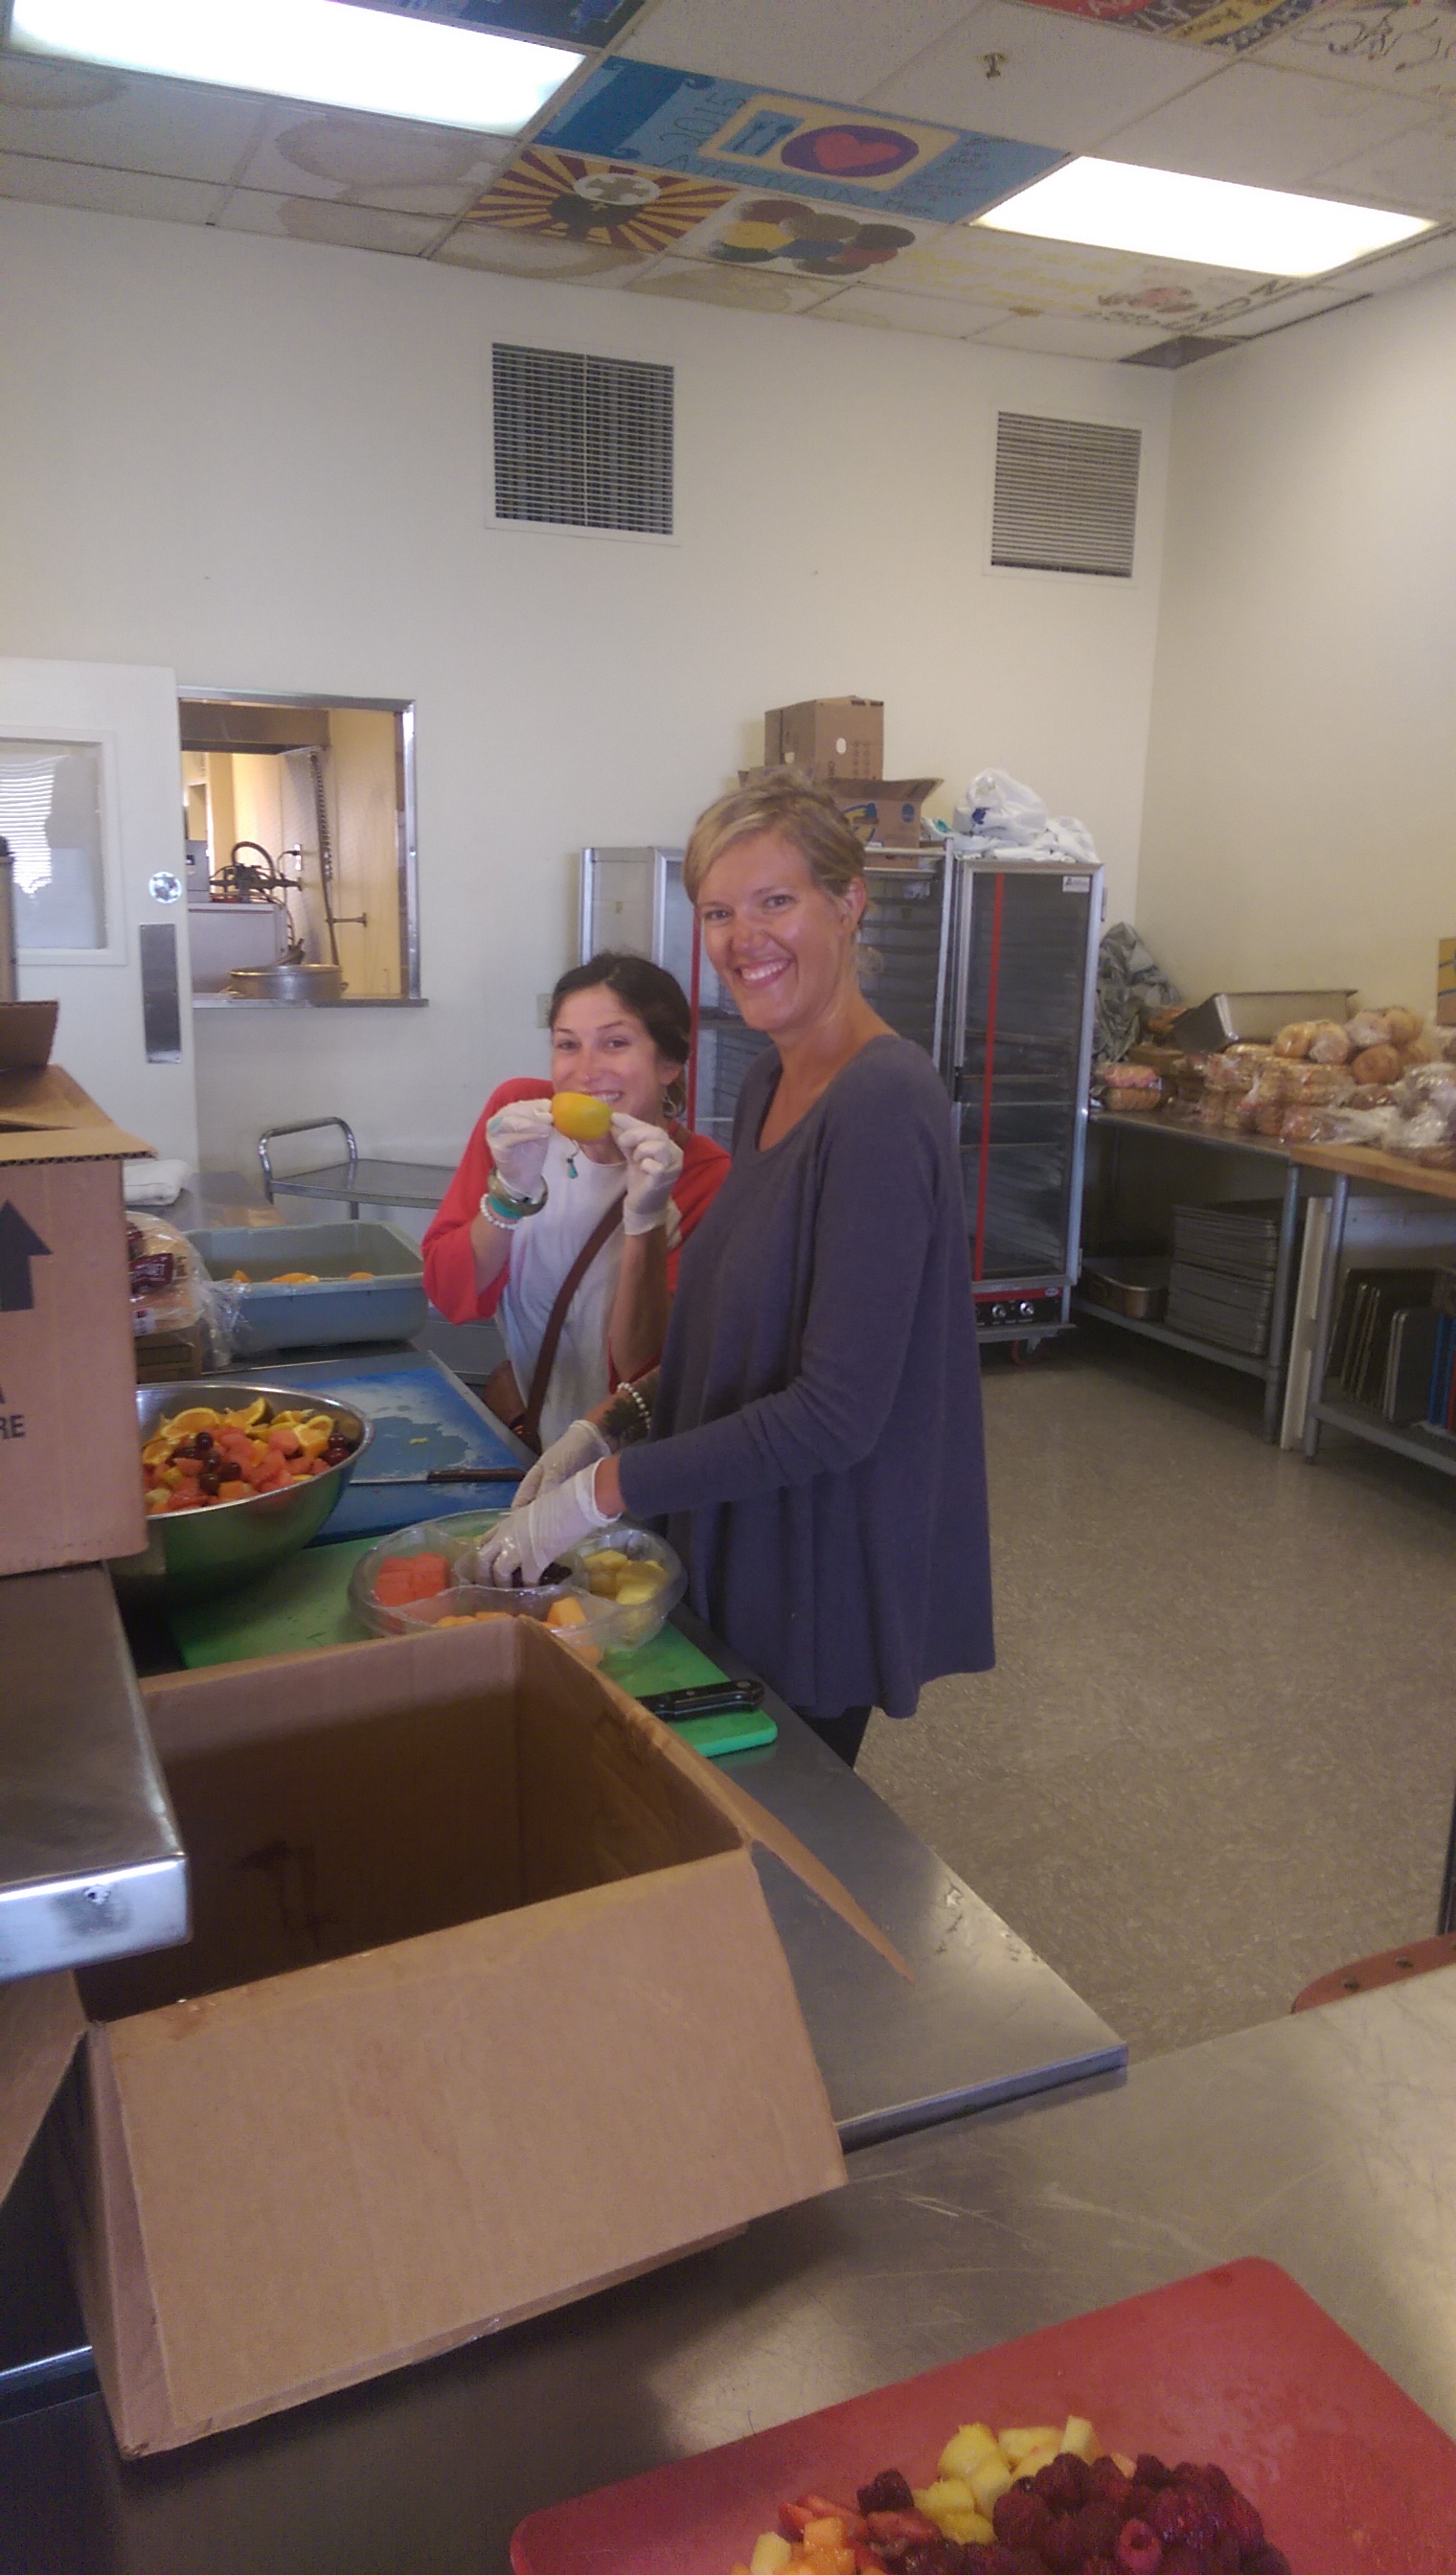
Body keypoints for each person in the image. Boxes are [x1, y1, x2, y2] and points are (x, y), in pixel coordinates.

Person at [481, 775, 993, 1766]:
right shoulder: (766, 1077)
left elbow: (835, 1413)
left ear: (848, 904)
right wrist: (611, 1422)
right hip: (733, 1525)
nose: (742, 937)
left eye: (775, 901)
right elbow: (740, 1331)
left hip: (813, 1562)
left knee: (775, 1819)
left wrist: (601, 1493)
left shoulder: (884, 1102)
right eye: (718, 911)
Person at [422, 953, 729, 1449]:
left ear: (669, 1064)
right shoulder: (518, 1118)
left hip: (633, 1464)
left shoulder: (704, 1177)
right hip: (535, 1446)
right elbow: (448, 1291)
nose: (585, 1072)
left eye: (615, 1043)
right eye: (568, 1044)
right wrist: (510, 1194)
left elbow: (643, 1368)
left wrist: (646, 1219)